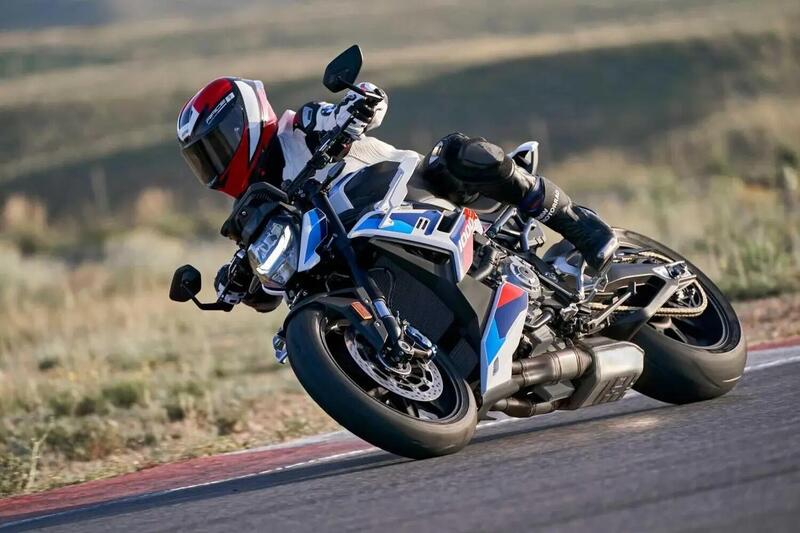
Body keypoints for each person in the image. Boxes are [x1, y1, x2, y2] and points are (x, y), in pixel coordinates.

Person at [176, 77, 617, 312]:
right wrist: (240, 281)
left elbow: (364, 105)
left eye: (215, 147)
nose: (213, 163)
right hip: (357, 254)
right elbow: (269, 287)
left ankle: (577, 223)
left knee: (459, 152)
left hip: (413, 193)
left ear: (245, 122)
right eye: (202, 158)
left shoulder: (302, 127)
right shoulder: (254, 211)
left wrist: (359, 105)